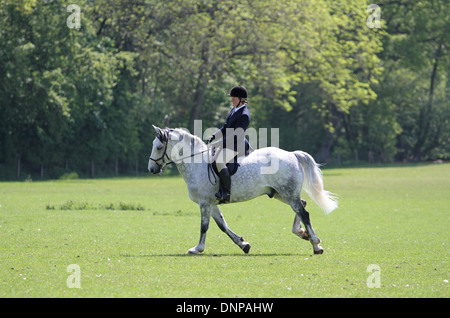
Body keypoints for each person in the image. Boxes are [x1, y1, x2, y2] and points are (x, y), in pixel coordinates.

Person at [206, 85, 251, 203]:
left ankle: (226, 192)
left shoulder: (244, 115)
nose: (231, 100)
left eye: (234, 98)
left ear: (241, 99)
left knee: (219, 161)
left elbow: (236, 135)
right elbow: (225, 127)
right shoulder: (234, 110)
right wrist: (214, 136)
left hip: (237, 145)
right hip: (229, 142)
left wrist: (219, 143)